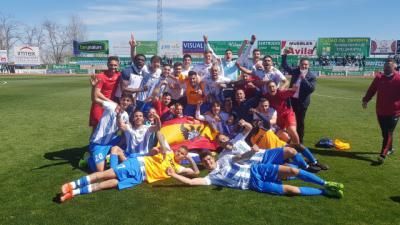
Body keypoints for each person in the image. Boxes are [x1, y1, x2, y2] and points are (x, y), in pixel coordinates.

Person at [58, 133, 199, 203]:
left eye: (182, 155)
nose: (179, 154)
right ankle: (71, 184)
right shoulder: (168, 153)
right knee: (104, 174)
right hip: (137, 164)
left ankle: (74, 193)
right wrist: (163, 146)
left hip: (140, 178)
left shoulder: (179, 168)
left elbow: (196, 172)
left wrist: (190, 158)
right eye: (179, 152)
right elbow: (159, 134)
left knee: (109, 184)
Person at [167, 149, 344, 198]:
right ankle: (324, 192)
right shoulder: (210, 178)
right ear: (204, 164)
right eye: (205, 161)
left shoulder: (224, 159)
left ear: (213, 157)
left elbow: (240, 157)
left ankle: (325, 183)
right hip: (254, 184)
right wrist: (173, 174)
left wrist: (251, 152)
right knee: (292, 190)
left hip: (256, 169)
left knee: (292, 170)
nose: (208, 161)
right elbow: (191, 183)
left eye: (209, 158)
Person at [362, 58, 400, 164]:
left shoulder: (398, 78)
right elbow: (372, 90)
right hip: (380, 111)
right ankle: (390, 148)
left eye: (389, 66)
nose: (387, 68)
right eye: (385, 66)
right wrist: (365, 100)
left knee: (388, 132)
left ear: (394, 67)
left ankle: (383, 154)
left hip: (394, 112)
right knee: (385, 133)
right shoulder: (379, 78)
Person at [88, 92, 133, 172]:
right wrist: (94, 87)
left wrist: (119, 145)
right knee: (100, 170)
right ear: (120, 100)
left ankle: (108, 157)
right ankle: (89, 159)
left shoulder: (125, 115)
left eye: (128, 100)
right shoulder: (111, 106)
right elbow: (95, 99)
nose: (125, 102)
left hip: (111, 141)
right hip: (98, 143)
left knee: (127, 143)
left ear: (130, 103)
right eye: (124, 100)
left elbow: (124, 133)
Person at [282, 48, 316, 143]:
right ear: (299, 64)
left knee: (300, 122)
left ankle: (299, 142)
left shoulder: (311, 76)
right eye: (302, 64)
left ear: (308, 66)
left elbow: (311, 89)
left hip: (302, 103)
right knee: (289, 121)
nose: (304, 66)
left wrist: (303, 79)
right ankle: (288, 139)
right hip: (291, 101)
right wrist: (285, 55)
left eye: (306, 65)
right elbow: (285, 66)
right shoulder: (296, 71)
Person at [89, 56, 121, 131]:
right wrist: (111, 102)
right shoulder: (100, 76)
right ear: (107, 65)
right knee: (97, 129)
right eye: (111, 65)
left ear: (118, 65)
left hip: (112, 106)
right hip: (99, 104)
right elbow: (97, 93)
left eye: (115, 65)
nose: (113, 67)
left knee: (111, 128)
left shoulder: (119, 75)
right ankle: (93, 143)